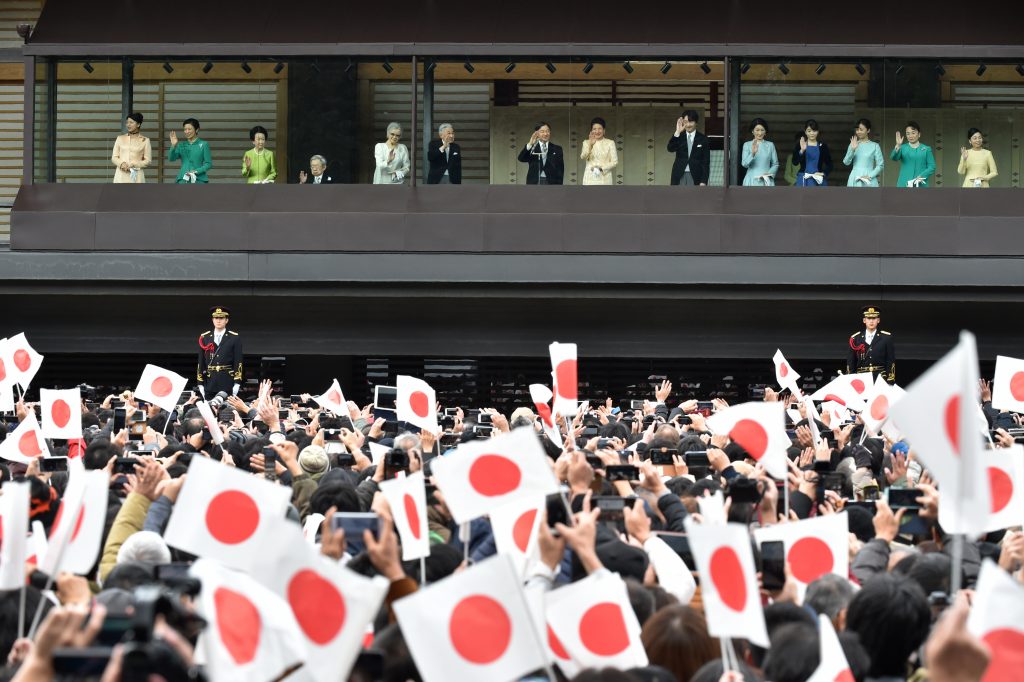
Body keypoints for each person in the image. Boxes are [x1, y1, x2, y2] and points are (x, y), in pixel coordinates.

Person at [197, 306, 243, 398]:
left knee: (226, 411)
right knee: (209, 410)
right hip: (210, 382)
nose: (218, 321)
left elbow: (238, 361)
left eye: (221, 318)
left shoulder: (234, 337)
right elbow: (201, 361)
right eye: (216, 318)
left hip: (227, 382)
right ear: (212, 320)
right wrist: (200, 383)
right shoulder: (205, 337)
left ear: (226, 320)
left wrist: (237, 382)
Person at [847, 305, 895, 383]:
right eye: (869, 318)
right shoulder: (856, 339)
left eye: (874, 318)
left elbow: (890, 360)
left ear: (878, 320)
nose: (871, 321)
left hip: (881, 379)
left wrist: (890, 378)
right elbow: (851, 362)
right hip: (861, 379)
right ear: (864, 320)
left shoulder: (886, 338)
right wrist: (851, 379)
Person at [668, 109, 710, 186]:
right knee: (678, 197)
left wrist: (703, 181)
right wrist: (677, 131)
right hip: (679, 174)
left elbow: (706, 162)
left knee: (694, 198)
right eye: (686, 122)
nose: (688, 125)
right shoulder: (679, 136)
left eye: (691, 122)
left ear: (696, 122)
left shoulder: (703, 139)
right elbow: (670, 148)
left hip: (696, 175)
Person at [890, 121, 936, 188]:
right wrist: (898, 146)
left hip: (920, 184)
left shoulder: (926, 149)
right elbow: (893, 158)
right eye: (908, 134)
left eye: (913, 133)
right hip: (904, 184)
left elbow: (932, 166)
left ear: (919, 134)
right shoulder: (902, 148)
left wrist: (922, 176)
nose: (910, 136)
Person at [110, 112, 151, 184]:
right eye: (127, 122)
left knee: (137, 195)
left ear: (138, 124)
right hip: (121, 176)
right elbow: (114, 157)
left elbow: (148, 160)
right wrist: (122, 164)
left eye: (131, 122)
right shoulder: (120, 138)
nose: (128, 125)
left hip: (137, 176)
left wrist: (135, 164)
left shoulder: (145, 140)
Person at [167, 118, 211, 184]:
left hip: (199, 179)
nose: (187, 131)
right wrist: (173, 145)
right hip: (183, 179)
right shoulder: (181, 145)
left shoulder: (204, 144)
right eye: (185, 129)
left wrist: (196, 171)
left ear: (197, 130)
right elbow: (171, 159)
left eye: (189, 129)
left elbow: (208, 164)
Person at [843, 118, 884, 187]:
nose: (858, 132)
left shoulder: (875, 146)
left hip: (869, 178)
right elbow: (846, 162)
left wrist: (870, 176)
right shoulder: (853, 144)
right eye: (857, 130)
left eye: (861, 130)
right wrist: (852, 149)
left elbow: (880, 165)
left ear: (868, 130)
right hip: (854, 177)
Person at [792, 119, 833, 186]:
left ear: (818, 131)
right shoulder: (800, 145)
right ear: (805, 132)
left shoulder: (822, 146)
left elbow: (830, 164)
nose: (812, 133)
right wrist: (802, 150)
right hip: (803, 180)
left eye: (814, 130)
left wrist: (823, 173)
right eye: (809, 131)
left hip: (818, 180)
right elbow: (795, 162)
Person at [580, 117, 617, 186]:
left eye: (600, 129)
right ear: (591, 131)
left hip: (605, 178)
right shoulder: (586, 142)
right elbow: (583, 156)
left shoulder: (610, 143)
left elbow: (614, 162)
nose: (597, 131)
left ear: (604, 130)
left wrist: (601, 168)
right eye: (594, 129)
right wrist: (590, 145)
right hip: (589, 179)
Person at [740, 118, 778, 186]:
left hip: (766, 181)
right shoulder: (747, 145)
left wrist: (768, 174)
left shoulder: (770, 145)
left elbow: (775, 164)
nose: (760, 133)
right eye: (757, 130)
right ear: (752, 131)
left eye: (762, 130)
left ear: (765, 131)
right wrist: (753, 153)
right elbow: (744, 164)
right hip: (751, 180)